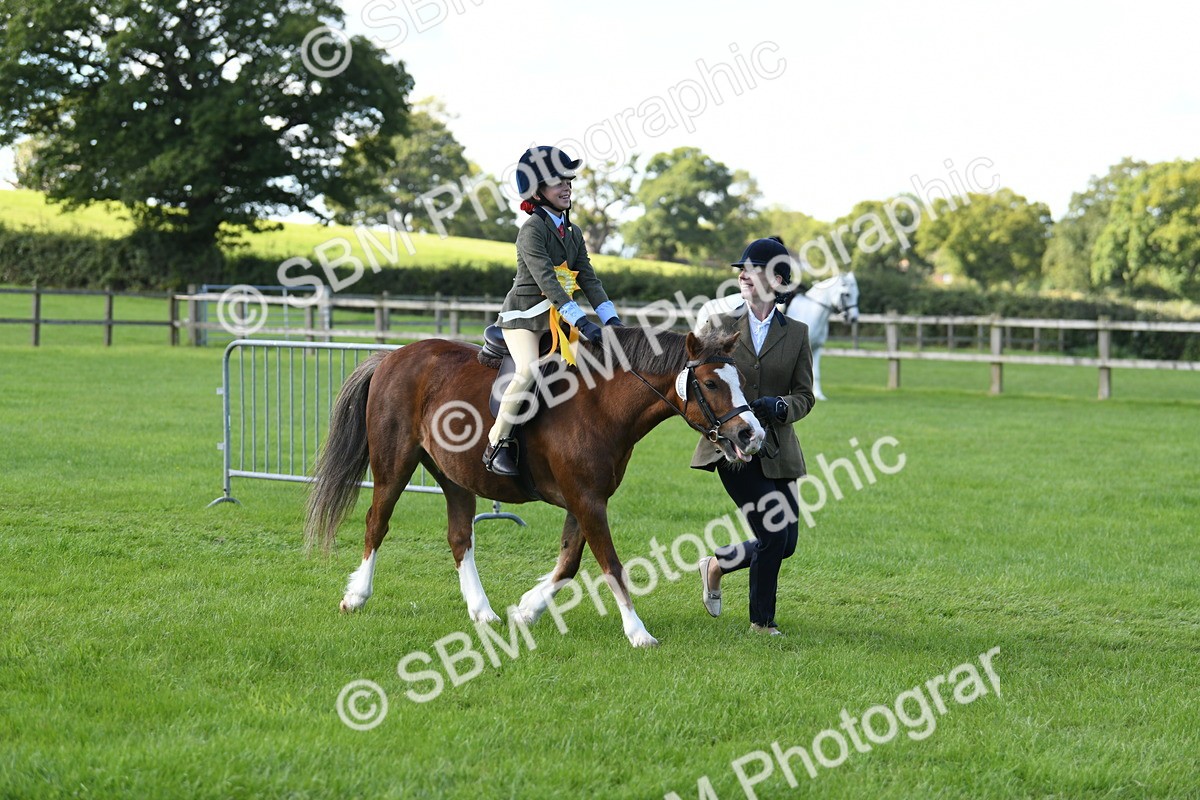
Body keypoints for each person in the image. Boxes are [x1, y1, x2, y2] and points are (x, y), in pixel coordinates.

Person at [693, 237, 815, 635]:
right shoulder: (720, 325)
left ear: (777, 279)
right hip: (733, 448)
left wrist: (781, 407)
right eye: (742, 269)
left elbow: (805, 395)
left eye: (754, 268)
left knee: (787, 543)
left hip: (780, 450)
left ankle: (716, 564)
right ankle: (762, 624)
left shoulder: (796, 333)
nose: (744, 274)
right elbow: (699, 383)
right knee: (773, 534)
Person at [483, 146, 622, 476]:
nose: (566, 188)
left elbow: (587, 276)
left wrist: (610, 317)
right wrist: (582, 322)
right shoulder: (532, 230)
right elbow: (548, 281)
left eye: (568, 181)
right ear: (537, 191)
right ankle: (496, 443)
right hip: (524, 318)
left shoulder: (573, 233)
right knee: (529, 370)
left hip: (558, 319)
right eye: (556, 182)